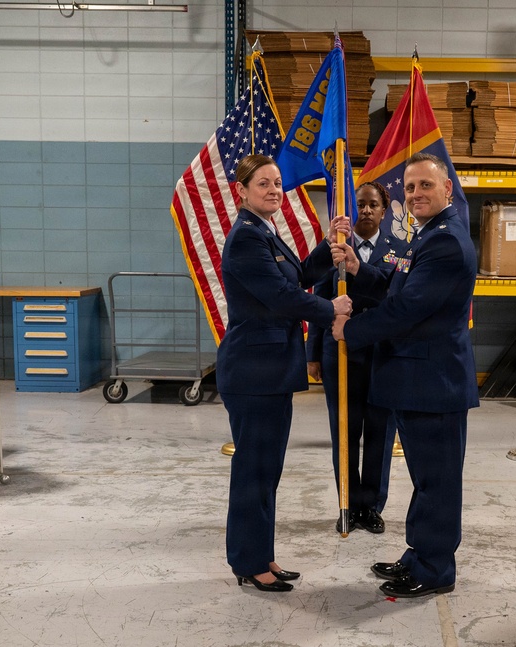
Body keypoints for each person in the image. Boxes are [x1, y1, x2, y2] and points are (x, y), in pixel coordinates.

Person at [331, 152, 479, 598]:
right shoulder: (429, 234)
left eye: (426, 185)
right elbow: (402, 288)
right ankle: (420, 554)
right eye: (410, 187)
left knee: (437, 481)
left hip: (433, 383)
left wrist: (351, 329)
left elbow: (408, 309)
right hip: (419, 381)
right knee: (425, 479)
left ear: (447, 189)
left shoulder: (446, 241)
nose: (416, 194)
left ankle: (435, 568)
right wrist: (360, 271)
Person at [219, 154, 352, 593]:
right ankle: (248, 562)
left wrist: (327, 248)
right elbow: (280, 296)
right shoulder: (245, 238)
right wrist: (329, 308)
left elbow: (295, 278)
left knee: (266, 470)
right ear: (242, 190)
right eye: (264, 184)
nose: (274, 189)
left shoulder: (265, 232)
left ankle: (262, 555)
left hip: (270, 372)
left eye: (277, 182)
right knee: (255, 470)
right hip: (254, 371)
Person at [306, 182, 407, 535]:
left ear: (384, 210)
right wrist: (313, 355)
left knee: (380, 431)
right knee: (344, 432)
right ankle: (347, 503)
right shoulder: (336, 249)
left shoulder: (398, 251)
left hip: (382, 356)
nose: (366, 210)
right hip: (341, 355)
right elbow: (320, 300)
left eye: (373, 205)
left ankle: (372, 506)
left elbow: (397, 299)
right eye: (361, 204)